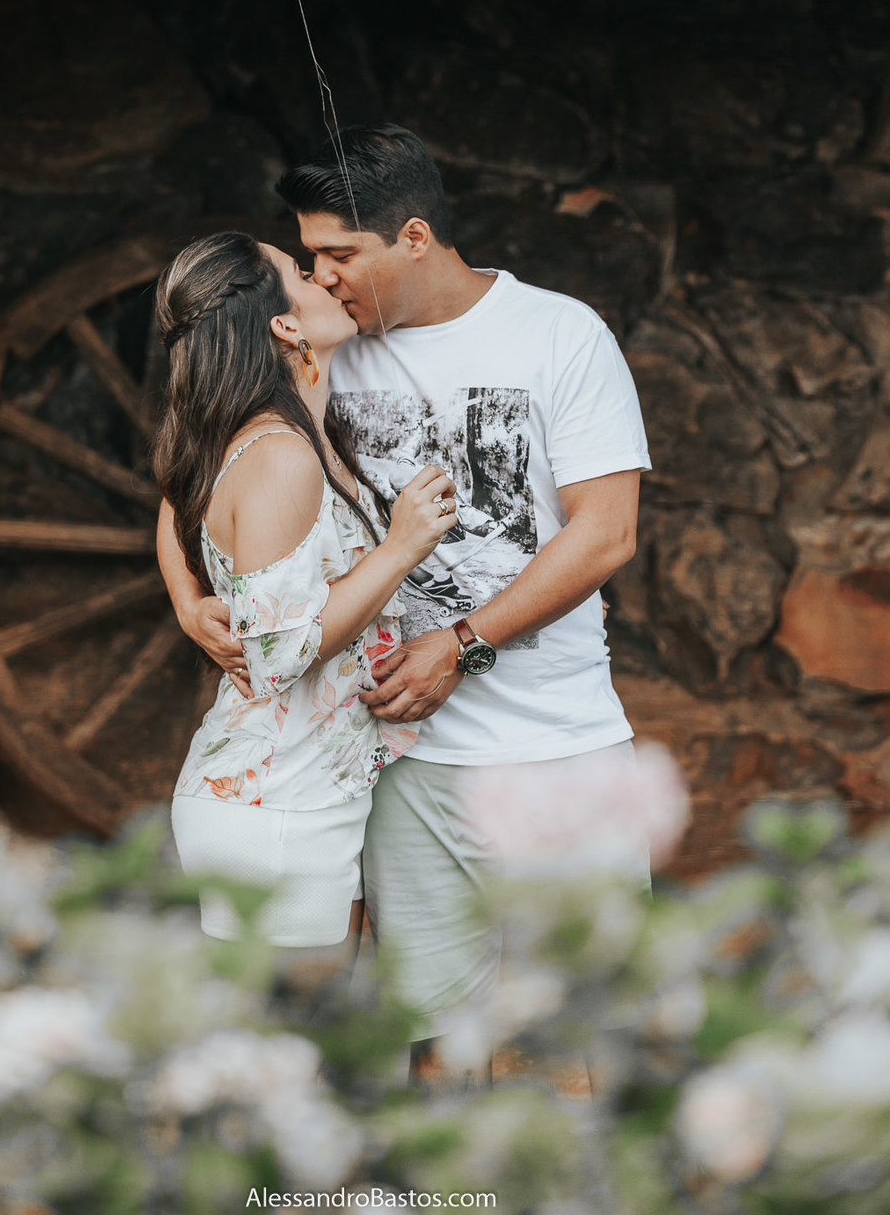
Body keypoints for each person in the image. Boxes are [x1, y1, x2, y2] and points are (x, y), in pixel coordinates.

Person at [166, 128, 652, 1075]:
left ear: (416, 237)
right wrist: (188, 596)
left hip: (564, 744)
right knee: (432, 1043)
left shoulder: (561, 334)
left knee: (588, 1038)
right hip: (403, 770)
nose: (324, 278)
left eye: (340, 256)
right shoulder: (322, 350)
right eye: (309, 261)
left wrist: (462, 643)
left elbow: (606, 534)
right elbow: (189, 467)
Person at [153, 229, 459, 979]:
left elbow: (173, 502)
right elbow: (278, 654)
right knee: (291, 1059)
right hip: (277, 808)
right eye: (299, 272)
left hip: (302, 795)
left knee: (306, 1051)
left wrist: (189, 600)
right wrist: (401, 545)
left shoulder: (279, 433)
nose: (322, 275)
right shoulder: (282, 456)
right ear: (286, 326)